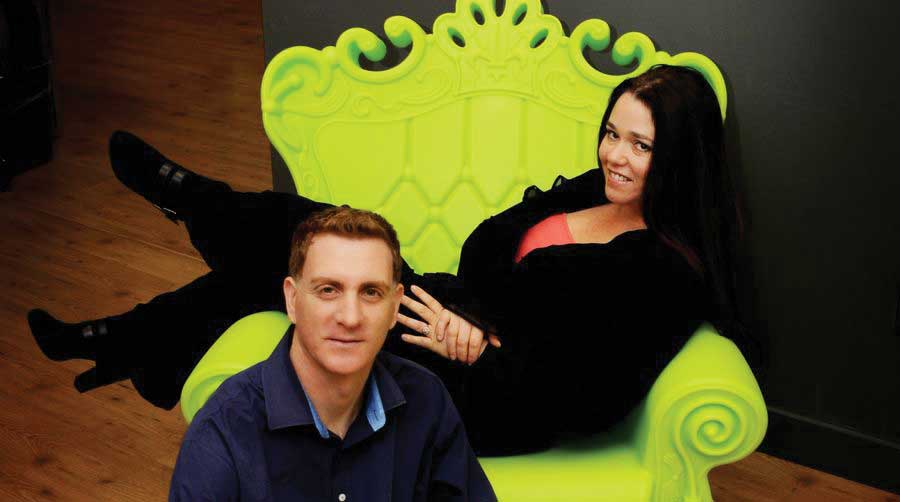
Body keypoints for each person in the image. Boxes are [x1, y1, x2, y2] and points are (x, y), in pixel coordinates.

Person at [28, 65, 747, 455]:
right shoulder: (600, 188)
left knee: (314, 254)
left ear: (679, 158)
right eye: (612, 133)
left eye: (641, 145)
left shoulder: (666, 273)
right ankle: (132, 322)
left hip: (485, 398)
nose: (616, 155)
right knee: (308, 252)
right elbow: (486, 245)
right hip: (445, 311)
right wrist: (474, 313)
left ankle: (176, 239)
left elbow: (588, 400)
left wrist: (480, 352)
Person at [168, 206, 495, 501]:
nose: (350, 318)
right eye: (328, 290)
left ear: (394, 307)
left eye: (371, 292)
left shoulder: (427, 400)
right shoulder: (222, 435)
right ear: (292, 300)